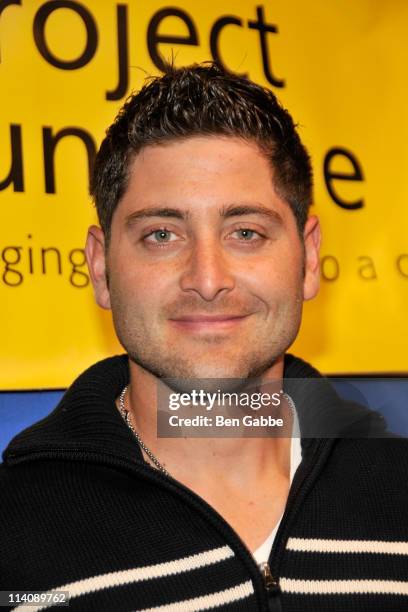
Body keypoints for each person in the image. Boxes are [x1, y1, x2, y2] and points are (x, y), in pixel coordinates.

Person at [1, 62, 407, 612]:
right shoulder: (15, 536)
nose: (208, 279)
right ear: (100, 268)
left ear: (309, 257)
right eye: (161, 234)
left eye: (246, 232)